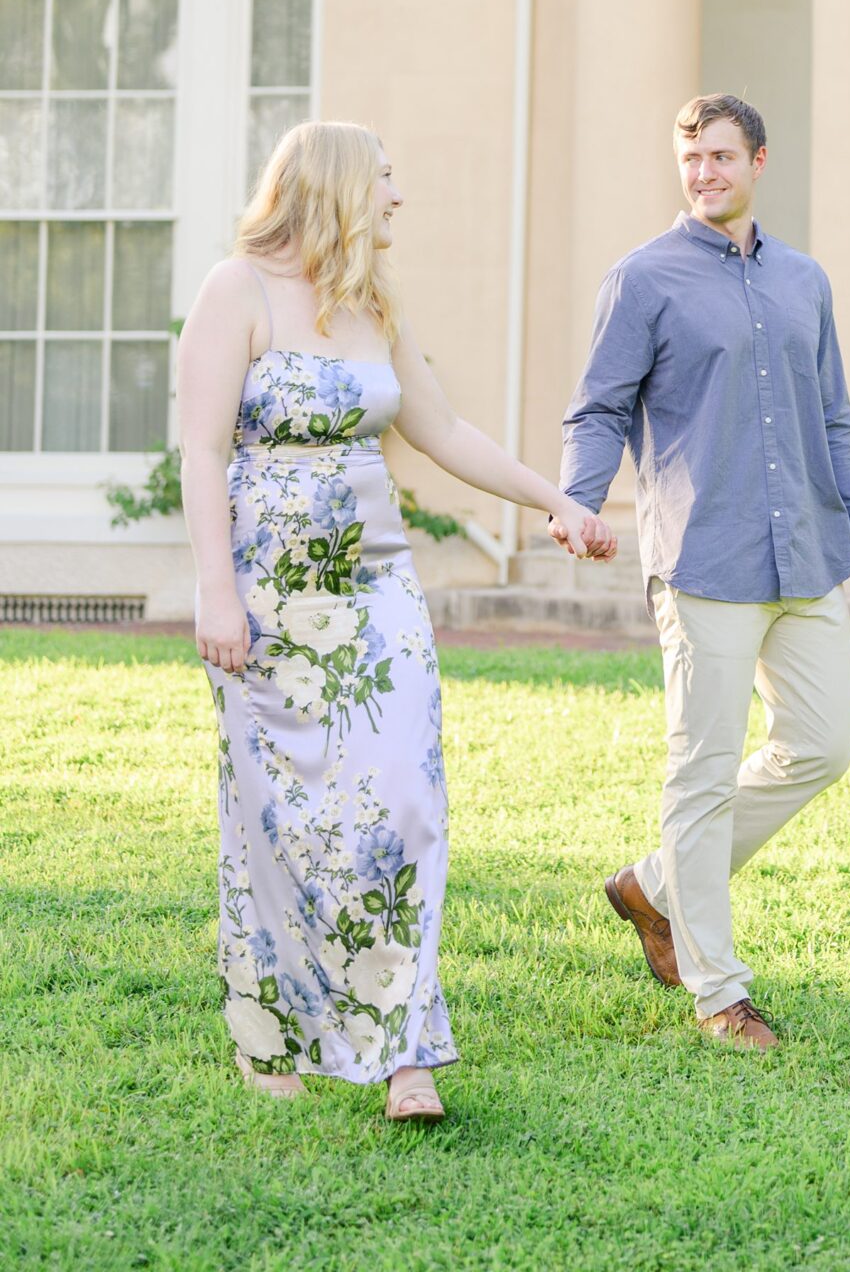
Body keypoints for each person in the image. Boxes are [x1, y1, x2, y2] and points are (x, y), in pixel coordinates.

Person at [178, 119, 615, 1120]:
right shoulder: (233, 291)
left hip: (376, 595)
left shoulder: (372, 303)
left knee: (406, 801)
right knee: (276, 818)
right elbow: (203, 449)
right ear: (333, 186)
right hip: (267, 599)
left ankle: (404, 1050)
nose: (397, 198)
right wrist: (216, 590)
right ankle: (273, 1029)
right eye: (384, 179)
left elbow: (444, 430)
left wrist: (557, 502)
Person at [558, 93, 850, 1050]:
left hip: (805, 553)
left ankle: (655, 887)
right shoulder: (642, 280)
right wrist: (578, 500)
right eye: (689, 158)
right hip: (703, 556)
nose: (703, 172)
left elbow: (831, 417)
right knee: (700, 772)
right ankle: (718, 991)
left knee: (823, 745)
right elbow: (597, 409)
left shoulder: (805, 281)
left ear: (757, 160)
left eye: (719, 156)